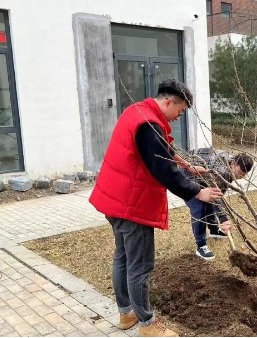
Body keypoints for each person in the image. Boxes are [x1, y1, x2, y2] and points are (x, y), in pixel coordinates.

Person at [89, 79, 223, 337]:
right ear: (169, 101)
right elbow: (164, 170)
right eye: (180, 111)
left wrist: (187, 165)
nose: (178, 117)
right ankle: (147, 325)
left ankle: (126, 313)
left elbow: (164, 149)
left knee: (123, 258)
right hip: (131, 204)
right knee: (139, 266)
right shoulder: (149, 124)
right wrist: (198, 191)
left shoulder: (138, 111)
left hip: (114, 199)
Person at [181, 148, 254, 260]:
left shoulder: (231, 164)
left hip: (203, 175)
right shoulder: (221, 171)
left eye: (242, 175)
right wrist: (224, 219)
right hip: (185, 172)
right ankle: (201, 246)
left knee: (210, 199)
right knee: (199, 207)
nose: (239, 177)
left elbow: (215, 195)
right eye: (238, 173)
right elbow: (217, 196)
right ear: (233, 164)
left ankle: (214, 230)